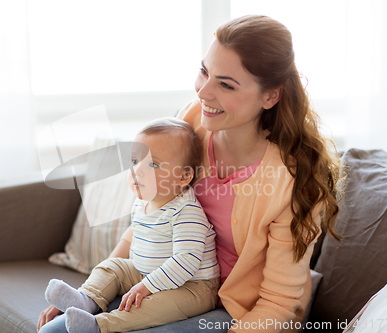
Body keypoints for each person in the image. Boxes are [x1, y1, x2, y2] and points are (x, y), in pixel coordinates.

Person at [39, 14, 342, 333]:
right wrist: (89, 295)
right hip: (162, 278)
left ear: (271, 96)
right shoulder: (194, 121)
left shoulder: (292, 182)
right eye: (204, 71)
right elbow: (151, 218)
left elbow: (280, 304)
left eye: (225, 84)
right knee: (56, 331)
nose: (203, 92)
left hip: (239, 311)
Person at [39, 117, 220, 333]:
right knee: (113, 268)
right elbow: (131, 238)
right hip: (145, 272)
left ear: (184, 176)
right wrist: (132, 278)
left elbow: (186, 261)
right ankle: (85, 299)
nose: (138, 170)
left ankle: (99, 325)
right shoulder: (142, 203)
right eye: (135, 161)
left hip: (192, 287)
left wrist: (146, 287)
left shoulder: (186, 212)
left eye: (153, 164)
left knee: (153, 307)